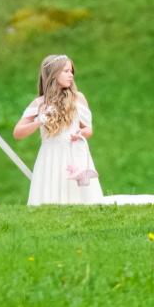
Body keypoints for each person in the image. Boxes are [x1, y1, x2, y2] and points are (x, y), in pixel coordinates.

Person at [13, 54, 103, 205]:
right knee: (51, 196)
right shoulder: (40, 103)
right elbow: (18, 133)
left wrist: (81, 133)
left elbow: (88, 129)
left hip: (73, 153)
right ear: (53, 74)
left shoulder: (78, 98)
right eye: (66, 71)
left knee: (79, 198)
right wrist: (39, 121)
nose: (71, 75)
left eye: (71, 71)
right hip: (51, 156)